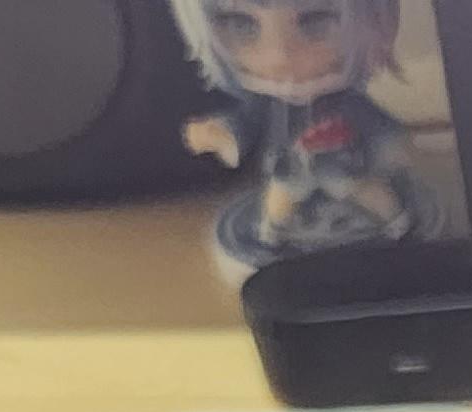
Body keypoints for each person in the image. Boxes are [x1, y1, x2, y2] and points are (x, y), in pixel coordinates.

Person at [172, 0, 444, 272]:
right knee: (278, 201)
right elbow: (246, 122)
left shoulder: (346, 103)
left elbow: (379, 128)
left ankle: (399, 221)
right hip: (289, 168)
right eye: (240, 24)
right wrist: (221, 133)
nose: (280, 56)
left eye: (316, 20)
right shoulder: (268, 105)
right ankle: (269, 236)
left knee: (368, 191)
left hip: (341, 164)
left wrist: (396, 150)